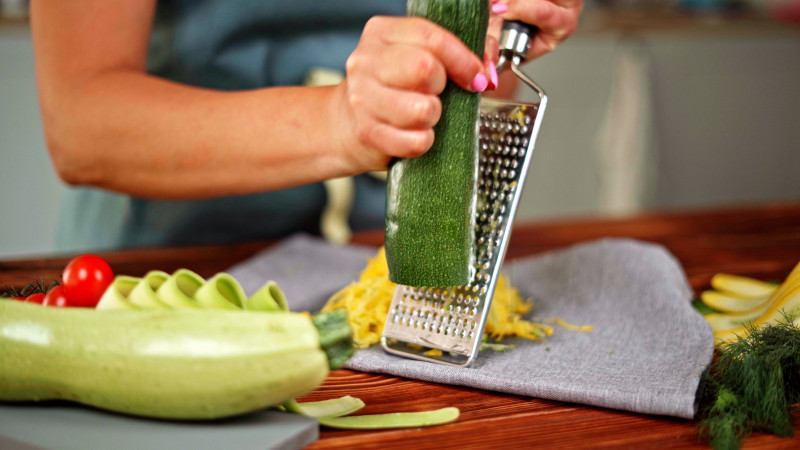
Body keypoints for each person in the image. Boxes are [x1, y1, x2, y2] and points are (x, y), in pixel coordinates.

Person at [31, 0, 582, 251]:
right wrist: (342, 122)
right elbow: (80, 125)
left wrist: (507, 30)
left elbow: (476, 81)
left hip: (376, 263)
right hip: (172, 267)